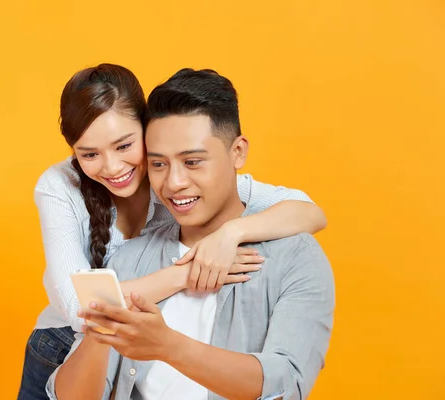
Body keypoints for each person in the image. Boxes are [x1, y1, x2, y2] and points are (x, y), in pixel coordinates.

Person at [18, 64, 328, 399]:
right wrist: (186, 274)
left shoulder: (291, 257)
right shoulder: (64, 190)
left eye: (124, 146)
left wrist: (230, 234)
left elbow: (307, 209)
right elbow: (80, 307)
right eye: (90, 154)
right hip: (62, 339)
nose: (111, 166)